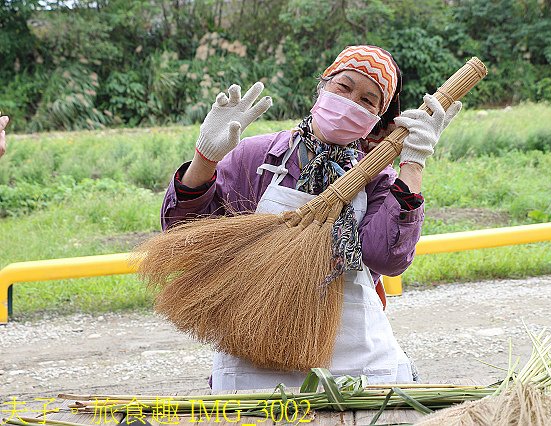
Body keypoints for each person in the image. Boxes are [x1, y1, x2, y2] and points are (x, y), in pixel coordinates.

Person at [161, 45, 462, 391]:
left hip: (356, 361)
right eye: (344, 87)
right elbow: (184, 235)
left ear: (378, 119)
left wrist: (414, 163)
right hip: (255, 352)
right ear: (322, 86)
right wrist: (204, 159)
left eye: (368, 101)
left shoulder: (380, 179)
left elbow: (387, 258)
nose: (351, 103)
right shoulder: (257, 157)